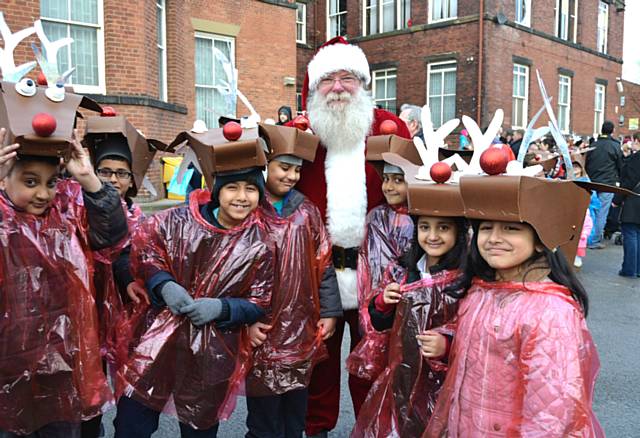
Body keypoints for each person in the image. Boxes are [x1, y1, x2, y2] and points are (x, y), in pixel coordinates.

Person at [113, 129, 276, 438]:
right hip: (157, 340)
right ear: (216, 189)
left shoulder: (261, 244)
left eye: (250, 189)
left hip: (211, 348)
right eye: (232, 188)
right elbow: (145, 252)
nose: (242, 197)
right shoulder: (175, 221)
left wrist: (222, 307)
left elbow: (261, 300)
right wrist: (163, 285)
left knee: (199, 427)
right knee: (133, 422)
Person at [292, 36, 412, 438]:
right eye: (328, 79)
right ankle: (316, 430)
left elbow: (415, 201)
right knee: (317, 363)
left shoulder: (389, 132)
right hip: (318, 277)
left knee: (374, 366)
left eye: (348, 77)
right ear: (313, 87)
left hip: (376, 278)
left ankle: (373, 430)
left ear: (363, 83)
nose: (338, 87)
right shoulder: (302, 135)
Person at [424, 174, 604, 437]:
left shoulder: (549, 311)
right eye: (486, 227)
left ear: (541, 241)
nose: (495, 238)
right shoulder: (480, 292)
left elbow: (552, 410)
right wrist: (449, 343)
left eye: (511, 228)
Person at [0, 128, 127, 437]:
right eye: (30, 182)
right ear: (4, 179)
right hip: (8, 364)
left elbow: (112, 236)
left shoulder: (66, 216)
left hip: (62, 362)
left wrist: (89, 179)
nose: (43, 194)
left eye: (51, 182)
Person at [352, 163, 468, 438]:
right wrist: (382, 302)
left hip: (443, 381)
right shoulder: (403, 269)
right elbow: (380, 323)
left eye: (443, 228)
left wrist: (447, 344)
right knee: (402, 424)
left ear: (458, 233)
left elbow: (470, 331)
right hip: (402, 373)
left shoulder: (463, 278)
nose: (433, 236)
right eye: (425, 227)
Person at [244, 124, 342, 438]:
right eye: (284, 168)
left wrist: (329, 311)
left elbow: (323, 265)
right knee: (264, 414)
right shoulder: (249, 210)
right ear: (265, 166)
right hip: (264, 326)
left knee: (295, 408)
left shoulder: (306, 211)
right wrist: (244, 318)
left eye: (297, 170)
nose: (291, 176)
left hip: (301, 325)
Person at [81, 114, 156, 438]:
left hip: (127, 318)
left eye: (121, 173)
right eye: (105, 171)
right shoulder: (75, 211)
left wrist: (128, 279)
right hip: (87, 318)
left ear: (132, 178)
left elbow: (131, 258)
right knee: (87, 400)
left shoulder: (140, 219)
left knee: (133, 403)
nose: (113, 179)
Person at [346, 136, 418, 383]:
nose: (389, 187)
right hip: (380, 304)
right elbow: (367, 267)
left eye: (398, 180)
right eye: (386, 179)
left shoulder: (422, 220)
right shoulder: (376, 218)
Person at [586, 120, 624, 249]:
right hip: (607, 183)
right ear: (612, 130)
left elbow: (587, 164)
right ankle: (594, 240)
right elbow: (620, 165)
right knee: (602, 211)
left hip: (592, 182)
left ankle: (587, 236)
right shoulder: (615, 146)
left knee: (591, 210)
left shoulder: (593, 145)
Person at [613, 150, 640, 278]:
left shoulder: (636, 158)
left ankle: (629, 269)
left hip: (634, 201)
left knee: (630, 233)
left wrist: (617, 200)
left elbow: (629, 182)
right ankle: (638, 269)